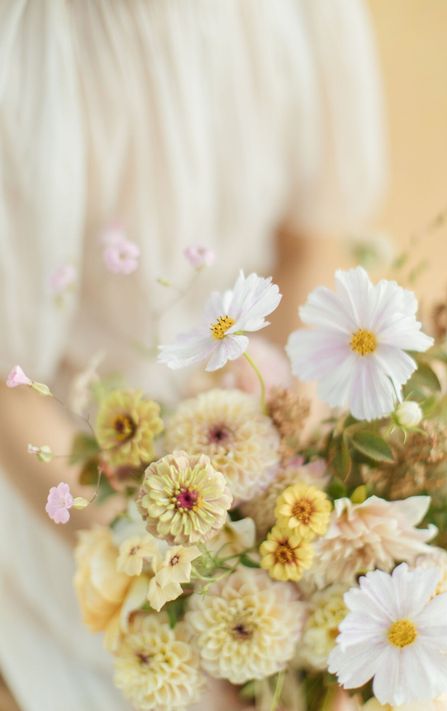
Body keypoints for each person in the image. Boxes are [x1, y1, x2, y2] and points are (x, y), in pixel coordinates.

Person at [0, 1, 385, 709]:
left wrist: (303, 433)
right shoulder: (27, 39)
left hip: (264, 393)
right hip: (70, 455)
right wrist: (161, 567)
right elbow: (7, 387)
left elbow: (310, 240)